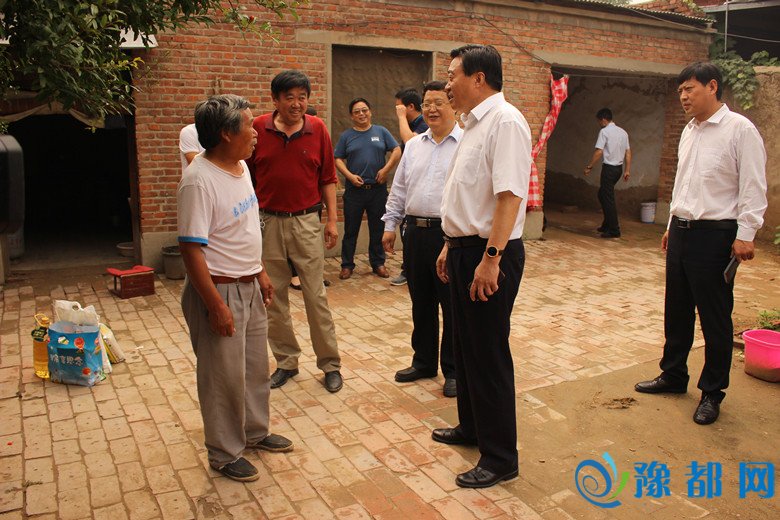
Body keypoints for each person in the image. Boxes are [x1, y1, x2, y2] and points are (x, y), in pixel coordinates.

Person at [635, 62, 767, 425]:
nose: (683, 96)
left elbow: (753, 185)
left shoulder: (740, 130)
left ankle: (712, 392)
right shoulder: (689, 131)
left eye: (689, 89)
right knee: (676, 308)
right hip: (682, 231)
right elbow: (684, 181)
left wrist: (746, 233)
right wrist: (672, 222)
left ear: (712, 86)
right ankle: (673, 374)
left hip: (716, 235)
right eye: (680, 90)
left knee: (714, 315)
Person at [177, 94, 293, 482]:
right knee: (222, 377)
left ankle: (254, 433)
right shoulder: (198, 181)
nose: (256, 131)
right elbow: (191, 249)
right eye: (248, 125)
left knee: (254, 368)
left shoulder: (240, 167)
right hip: (219, 290)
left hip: (248, 284)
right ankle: (224, 452)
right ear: (226, 134)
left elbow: (243, 229)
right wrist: (215, 306)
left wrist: (260, 272)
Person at [434, 45, 532, 489]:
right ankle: (471, 427)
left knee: (488, 352)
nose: (447, 84)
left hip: (489, 254)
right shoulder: (472, 124)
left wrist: (491, 259)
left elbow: (509, 197)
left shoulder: (505, 122)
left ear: (478, 78)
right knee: (465, 345)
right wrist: (449, 245)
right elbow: (466, 195)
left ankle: (500, 457)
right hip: (463, 249)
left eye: (452, 75)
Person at [248, 70, 343, 393]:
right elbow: (246, 177)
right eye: (289, 97)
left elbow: (328, 178)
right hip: (267, 222)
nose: (297, 104)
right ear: (275, 100)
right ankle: (286, 362)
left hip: (306, 222)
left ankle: (330, 364)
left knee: (315, 296)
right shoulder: (258, 128)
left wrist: (332, 221)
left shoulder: (318, 129)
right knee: (273, 297)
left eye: (302, 97)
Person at [382, 81, 461, 398]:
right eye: (427, 103)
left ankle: (453, 370)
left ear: (453, 106)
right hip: (414, 233)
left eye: (439, 102)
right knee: (422, 301)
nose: (431, 109)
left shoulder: (465, 144)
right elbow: (400, 188)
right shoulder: (414, 145)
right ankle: (424, 362)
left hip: (449, 235)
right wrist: (390, 224)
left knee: (452, 305)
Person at [335, 98, 401, 280]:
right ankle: (347, 265)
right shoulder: (347, 136)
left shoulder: (381, 131)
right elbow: (338, 158)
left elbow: (396, 150)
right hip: (354, 190)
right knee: (350, 230)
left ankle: (378, 263)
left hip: (377, 189)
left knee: (377, 228)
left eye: (364, 110)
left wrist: (386, 169)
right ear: (351, 116)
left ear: (370, 112)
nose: (361, 114)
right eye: (357, 111)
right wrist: (349, 176)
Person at [391, 88, 430, 287]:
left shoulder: (423, 124)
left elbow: (410, 141)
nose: (397, 110)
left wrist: (401, 117)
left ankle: (409, 270)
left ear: (410, 107)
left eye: (399, 106)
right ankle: (409, 268)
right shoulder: (413, 124)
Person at [583, 108, 631, 238]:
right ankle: (606, 224)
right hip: (618, 170)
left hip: (609, 169)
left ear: (603, 119)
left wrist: (589, 166)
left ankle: (614, 229)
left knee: (608, 198)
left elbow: (599, 151)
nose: (599, 123)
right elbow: (628, 152)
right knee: (602, 194)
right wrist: (627, 170)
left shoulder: (604, 132)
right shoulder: (623, 132)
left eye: (599, 121)